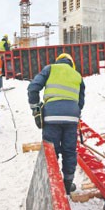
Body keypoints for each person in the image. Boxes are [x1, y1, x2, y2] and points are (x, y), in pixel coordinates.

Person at [27, 53, 85, 195]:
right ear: (71, 64)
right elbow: (81, 102)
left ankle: (52, 183)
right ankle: (67, 184)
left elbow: (33, 88)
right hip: (72, 117)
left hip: (51, 116)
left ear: (58, 61)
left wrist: (35, 108)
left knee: (51, 151)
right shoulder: (77, 76)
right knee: (69, 150)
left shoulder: (50, 69)